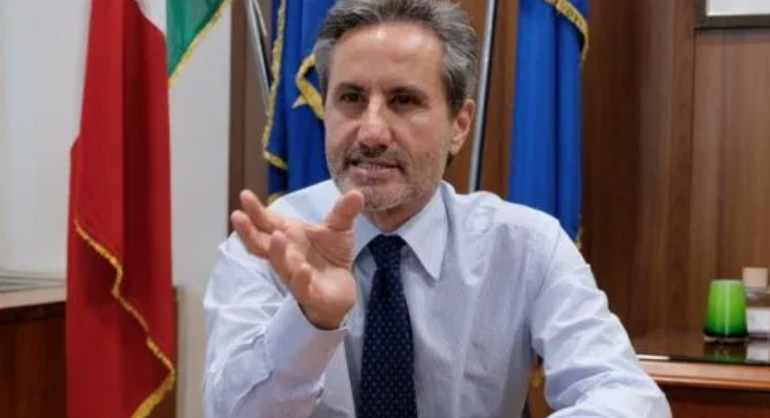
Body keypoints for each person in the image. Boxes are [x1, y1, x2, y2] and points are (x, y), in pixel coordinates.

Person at [203, 0, 671, 417]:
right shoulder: (272, 246)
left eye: (403, 101)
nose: (371, 132)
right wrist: (311, 322)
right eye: (351, 98)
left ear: (459, 125)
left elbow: (628, 397)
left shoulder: (526, 246)